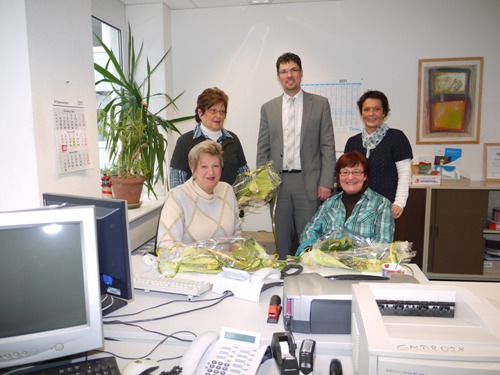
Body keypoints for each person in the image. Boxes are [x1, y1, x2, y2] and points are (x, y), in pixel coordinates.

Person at [257, 52, 336, 259]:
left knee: (309, 240)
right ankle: (283, 282)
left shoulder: (319, 104)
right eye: (284, 71)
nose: (289, 75)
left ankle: (309, 283)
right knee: (282, 242)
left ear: (301, 73)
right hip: (278, 184)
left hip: (308, 183)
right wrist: (263, 185)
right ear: (278, 77)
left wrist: (326, 182)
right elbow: (262, 149)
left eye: (293, 70)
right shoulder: (268, 108)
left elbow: (328, 146)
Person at [296, 151, 394, 255]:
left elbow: (383, 244)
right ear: (338, 176)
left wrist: (351, 257)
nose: (350, 177)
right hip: (326, 265)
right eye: (345, 172)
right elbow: (309, 231)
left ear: (365, 176)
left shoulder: (381, 204)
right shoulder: (329, 204)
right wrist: (316, 252)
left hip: (362, 267)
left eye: (356, 172)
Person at [344, 90, 412, 240]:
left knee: (386, 256)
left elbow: (405, 173)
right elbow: (347, 176)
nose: (371, 114)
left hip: (388, 209)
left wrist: (399, 203)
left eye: (377, 109)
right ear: (361, 114)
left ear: (384, 113)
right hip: (358, 211)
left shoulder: (397, 138)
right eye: (367, 109)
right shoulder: (353, 142)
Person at [157, 140, 242, 248]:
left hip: (227, 263)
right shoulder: (178, 196)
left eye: (215, 165)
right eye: (204, 166)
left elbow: (237, 234)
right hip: (191, 264)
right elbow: (165, 245)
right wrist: (208, 257)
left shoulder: (227, 190)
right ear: (193, 169)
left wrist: (235, 252)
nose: (211, 172)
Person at [169, 87, 249, 189]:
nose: (218, 115)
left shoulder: (233, 139)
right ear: (200, 113)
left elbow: (245, 177)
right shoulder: (185, 141)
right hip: (196, 204)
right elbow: (177, 186)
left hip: (229, 202)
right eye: (213, 110)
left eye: (222, 111)